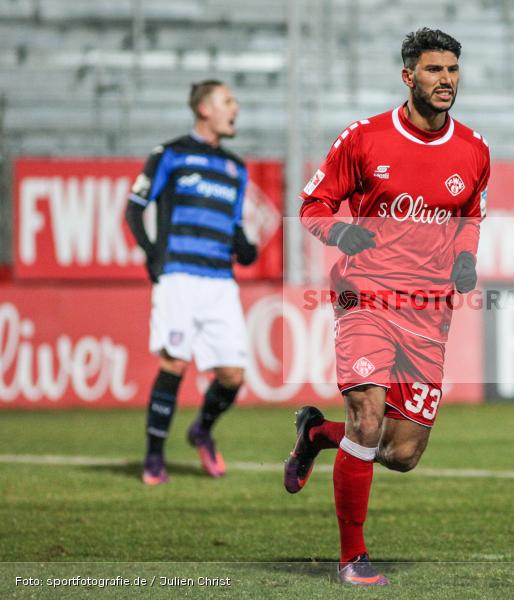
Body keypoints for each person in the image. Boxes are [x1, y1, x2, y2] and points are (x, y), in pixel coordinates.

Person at [283, 28, 489, 586]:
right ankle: (352, 557)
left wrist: (466, 257)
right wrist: (341, 233)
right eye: (433, 70)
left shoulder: (473, 150)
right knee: (367, 417)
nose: (446, 80)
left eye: (452, 70)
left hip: (428, 310)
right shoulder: (364, 139)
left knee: (401, 452)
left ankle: (315, 436)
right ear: (408, 77)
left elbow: (470, 214)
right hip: (365, 296)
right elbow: (312, 205)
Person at [125, 80, 258, 486]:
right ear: (204, 109)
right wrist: (153, 256)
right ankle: (153, 458)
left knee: (233, 376)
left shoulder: (237, 169)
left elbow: (235, 227)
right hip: (179, 277)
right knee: (175, 362)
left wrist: (245, 246)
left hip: (220, 281)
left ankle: (201, 429)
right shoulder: (170, 154)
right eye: (227, 101)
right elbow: (134, 209)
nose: (236, 108)